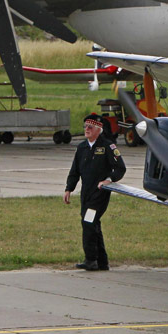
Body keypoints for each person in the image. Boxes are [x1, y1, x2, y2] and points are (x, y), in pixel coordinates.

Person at [64, 113, 127, 271]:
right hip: (86, 193)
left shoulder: (108, 146)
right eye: (85, 126)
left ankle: (91, 260)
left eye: (90, 127)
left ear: (99, 129)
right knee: (93, 224)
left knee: (88, 222)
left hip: (99, 194)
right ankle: (102, 261)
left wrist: (109, 180)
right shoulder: (82, 148)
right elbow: (75, 171)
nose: (87, 129)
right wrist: (69, 188)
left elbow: (120, 168)